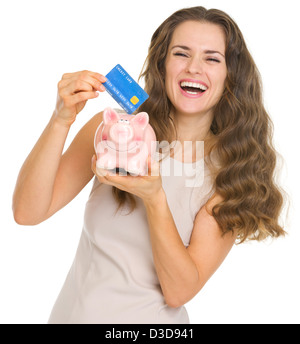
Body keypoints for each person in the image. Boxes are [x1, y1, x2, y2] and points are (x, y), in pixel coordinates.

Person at [12, 6, 286, 324]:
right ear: (162, 64)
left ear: (230, 76)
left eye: (212, 58)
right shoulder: (113, 130)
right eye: (181, 54)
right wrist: (61, 120)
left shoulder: (231, 177)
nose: (194, 68)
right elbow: (26, 213)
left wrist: (155, 198)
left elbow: (179, 292)